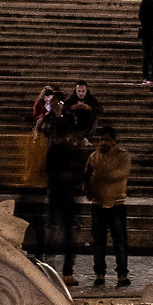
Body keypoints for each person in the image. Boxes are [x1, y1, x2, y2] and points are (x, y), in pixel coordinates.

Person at [45, 116, 90, 281]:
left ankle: (66, 271)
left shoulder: (71, 151)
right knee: (57, 234)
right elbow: (52, 171)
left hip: (67, 197)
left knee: (67, 236)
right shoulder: (56, 151)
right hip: (59, 196)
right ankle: (53, 269)